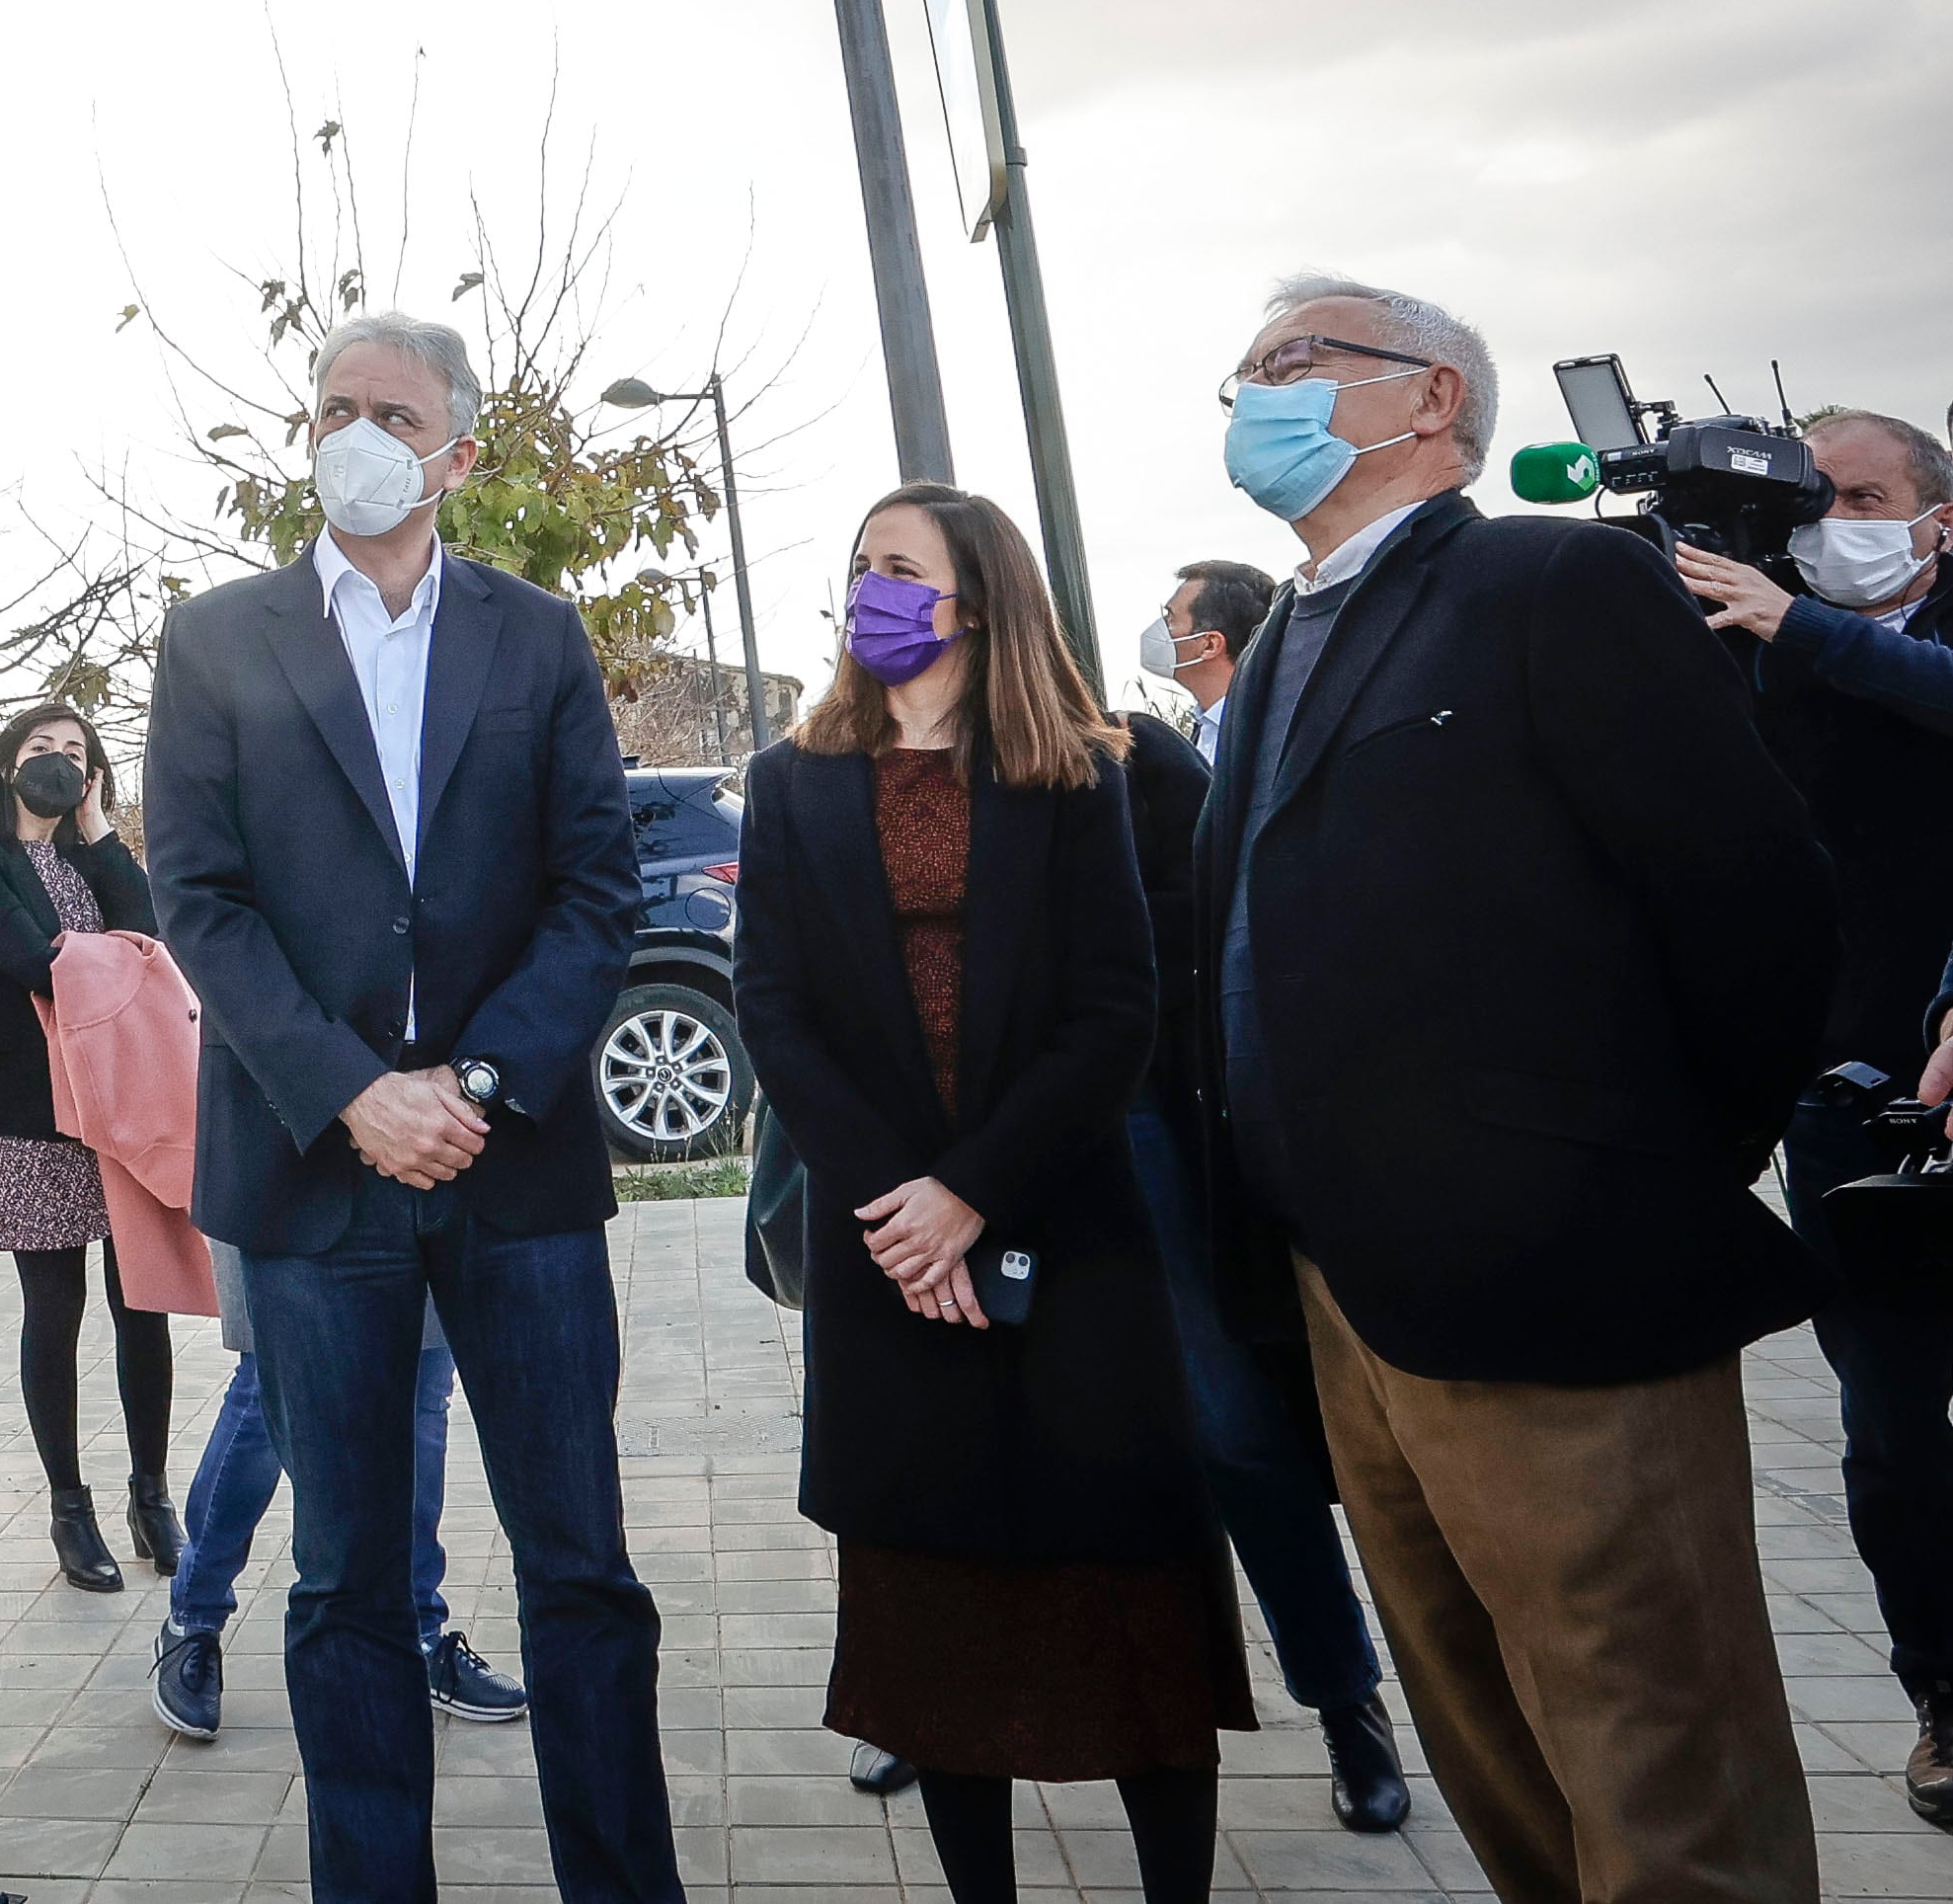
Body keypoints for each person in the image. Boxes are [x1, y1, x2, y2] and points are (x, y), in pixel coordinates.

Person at [1184, 273, 1835, 1904]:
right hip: (1345, 1304)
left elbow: (1757, 908)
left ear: (1429, 404)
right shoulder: (1276, 649)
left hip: (1563, 1292)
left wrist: (1627, 1171)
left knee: (1655, 1773)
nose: (1249, 396)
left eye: (1290, 363)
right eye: (1240, 376)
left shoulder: (1551, 581)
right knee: (1492, 1753)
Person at [149, 309, 676, 1904]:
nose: (351, 434)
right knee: (343, 1586)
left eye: (388, 409)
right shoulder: (216, 639)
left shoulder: (536, 636)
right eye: (328, 408)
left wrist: (482, 1080)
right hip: (315, 1184)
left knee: (577, 1569)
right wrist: (351, 1094)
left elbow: (596, 892)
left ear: (459, 446)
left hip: (512, 1178)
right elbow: (200, 900)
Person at [736, 482, 1248, 1904]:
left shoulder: (1077, 769)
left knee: (1126, 1589)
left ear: (973, 597)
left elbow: (1111, 1011)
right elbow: (770, 1011)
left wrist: (968, 1190)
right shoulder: (791, 777)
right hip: (882, 1250)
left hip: (1061, 1230)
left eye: (895, 568)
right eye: (855, 568)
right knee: (934, 1616)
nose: (865, 592)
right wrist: (899, 1206)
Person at [1680, 409, 1953, 1827]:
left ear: (1933, 517)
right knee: (1894, 1428)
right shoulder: (1754, 635)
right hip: (1847, 1099)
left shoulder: (1823, 630)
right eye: (1813, 495)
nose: (1831, 515)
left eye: (1863, 494)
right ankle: (1938, 1690)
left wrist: (1793, 624)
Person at [1108, 636, 1409, 1834]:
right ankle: (931, 1700)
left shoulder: (1131, 756)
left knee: (1228, 1424)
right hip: (962, 1159)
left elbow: (1223, 905)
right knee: (977, 1437)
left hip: (1130, 1123)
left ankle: (1344, 1699)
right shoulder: (873, 766)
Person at [0, 702, 179, 1592]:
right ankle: (68, 1506)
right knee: (56, 1306)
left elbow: (151, 935)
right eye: (41, 747)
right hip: (28, 1106)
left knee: (138, 1299)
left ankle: (151, 1496)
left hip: (118, 1101)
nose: (57, 761)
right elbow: (32, 959)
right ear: (7, 764)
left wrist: (102, 830)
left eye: (75, 752)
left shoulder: (93, 857)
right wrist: (115, 957)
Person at [152, 1283, 523, 1738]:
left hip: (423, 1214)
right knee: (267, 1387)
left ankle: (418, 1630)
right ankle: (194, 1615)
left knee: (422, 1392)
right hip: (280, 1218)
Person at [1134, 561, 1275, 762]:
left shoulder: (1262, 737)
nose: (1161, 628)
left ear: (1209, 645)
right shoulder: (1208, 727)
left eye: (1171, 618)